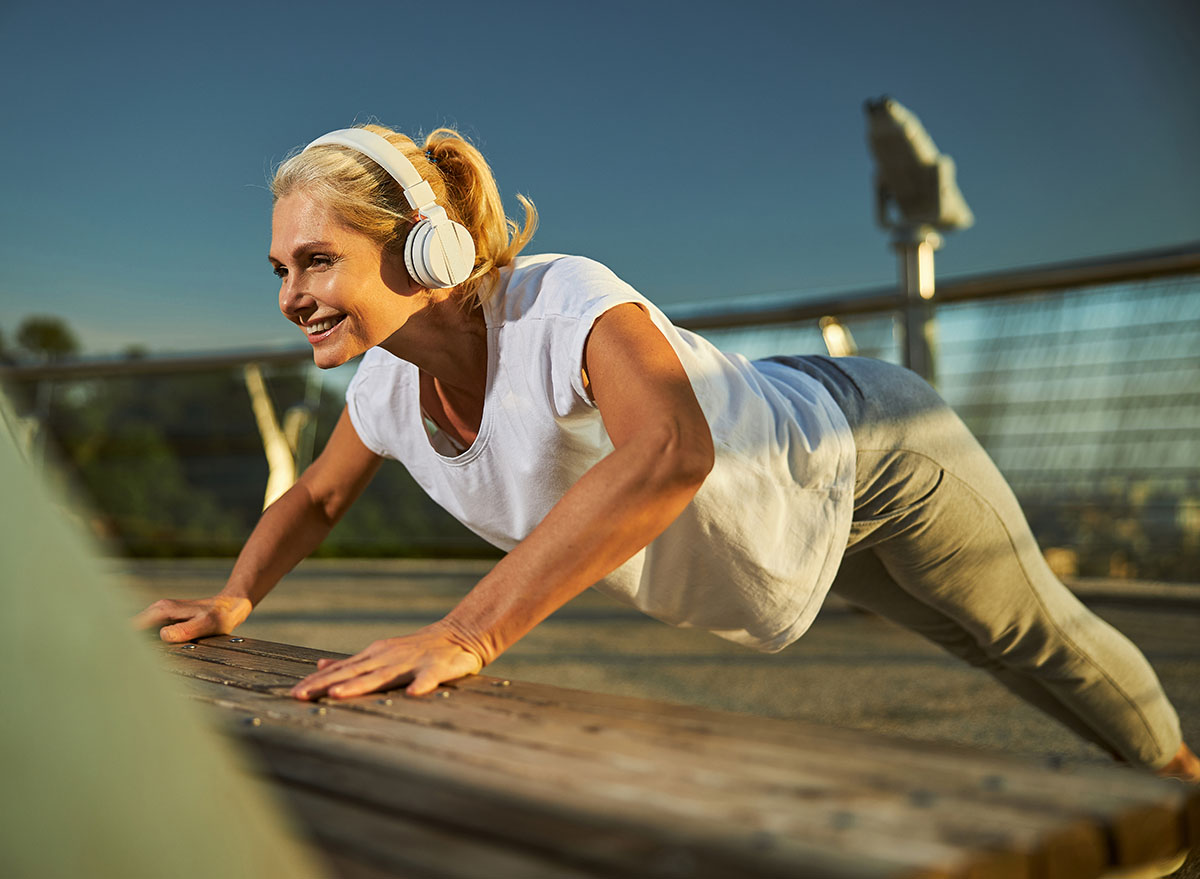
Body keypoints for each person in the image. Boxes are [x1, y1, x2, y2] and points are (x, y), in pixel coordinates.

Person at [135, 124, 1198, 781]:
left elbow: (670, 454)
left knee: (1027, 634)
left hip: (872, 454)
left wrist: (468, 632)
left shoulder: (562, 303)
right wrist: (234, 600)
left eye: (317, 261)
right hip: (788, 498)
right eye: (279, 267)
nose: (289, 297)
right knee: (972, 643)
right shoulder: (384, 388)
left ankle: (1179, 780)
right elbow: (317, 499)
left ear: (427, 247)